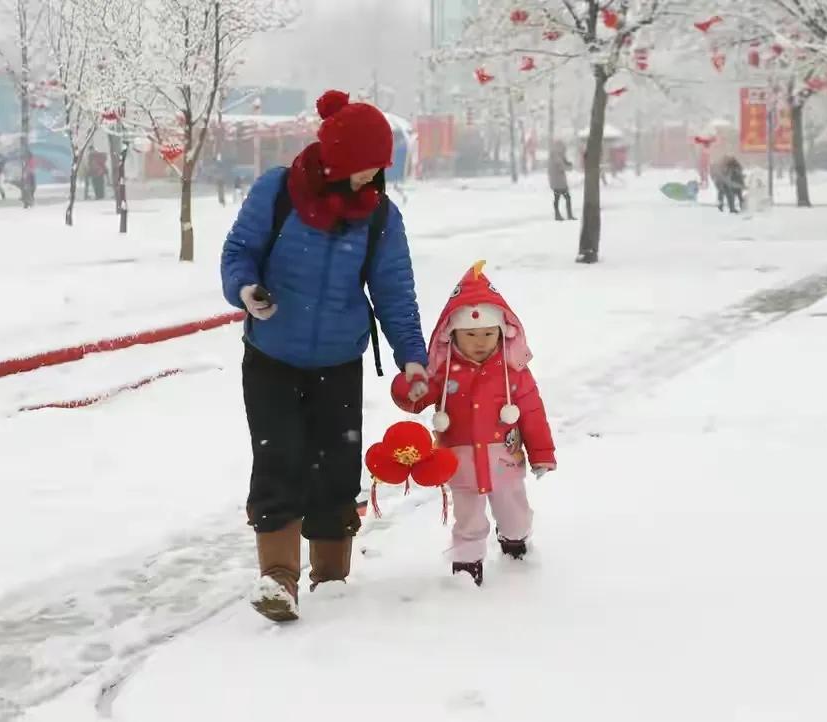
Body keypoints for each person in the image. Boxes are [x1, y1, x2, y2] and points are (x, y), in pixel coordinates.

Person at [221, 90, 429, 623]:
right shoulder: (277, 192)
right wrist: (246, 291)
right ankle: (278, 580)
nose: (374, 178)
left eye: (380, 167)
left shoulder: (380, 215)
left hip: (339, 360)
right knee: (279, 457)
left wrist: (412, 357)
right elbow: (239, 252)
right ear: (337, 159)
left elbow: (395, 292)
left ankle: (332, 580)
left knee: (336, 467)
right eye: (367, 166)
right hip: (271, 355)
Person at [391, 260, 556, 587]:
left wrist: (541, 452)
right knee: (467, 517)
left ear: (502, 332)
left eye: (487, 333)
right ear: (452, 334)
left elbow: (533, 412)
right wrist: (411, 388)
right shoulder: (443, 372)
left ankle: (515, 539)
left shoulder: (514, 371)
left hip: (504, 461)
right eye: (470, 334)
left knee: (514, 512)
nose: (480, 341)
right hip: (459, 461)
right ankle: (467, 563)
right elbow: (416, 399)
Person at [547, 140, 575, 221]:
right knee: (566, 198)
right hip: (559, 182)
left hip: (556, 181)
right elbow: (561, 167)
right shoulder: (557, 156)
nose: (564, 150)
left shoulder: (554, 155)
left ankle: (558, 215)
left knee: (558, 198)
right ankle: (566, 215)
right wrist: (569, 167)